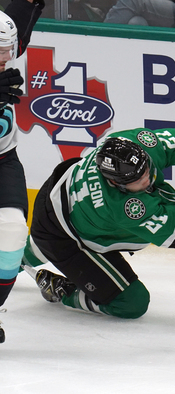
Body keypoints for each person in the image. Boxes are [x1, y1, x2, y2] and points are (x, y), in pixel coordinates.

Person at [22, 125, 175, 319]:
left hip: (64, 199)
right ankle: (63, 291)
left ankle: (21, 256)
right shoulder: (121, 207)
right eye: (136, 180)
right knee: (130, 303)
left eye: (145, 168)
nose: (146, 177)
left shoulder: (135, 143)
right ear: (115, 183)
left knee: (28, 253)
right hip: (62, 235)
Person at [0, 0, 44, 344]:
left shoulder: (6, 44)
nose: (5, 58)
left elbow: (23, 11)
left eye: (8, 51)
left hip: (4, 162)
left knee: (13, 232)